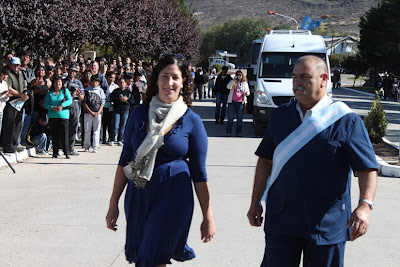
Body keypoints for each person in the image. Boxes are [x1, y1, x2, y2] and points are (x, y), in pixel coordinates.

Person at [247, 55, 378, 267]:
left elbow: (367, 168)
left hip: (326, 225)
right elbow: (265, 161)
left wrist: (365, 206)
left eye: (305, 77)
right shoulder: (281, 116)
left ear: (324, 79)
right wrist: (255, 202)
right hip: (283, 219)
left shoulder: (345, 120)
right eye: (294, 77)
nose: (297, 83)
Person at [106, 55, 215, 266]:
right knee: (142, 256)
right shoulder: (138, 114)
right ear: (156, 80)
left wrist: (207, 215)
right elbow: (125, 159)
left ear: (183, 81)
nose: (170, 83)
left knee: (153, 256)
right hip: (139, 194)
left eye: (175, 77)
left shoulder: (191, 120)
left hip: (174, 196)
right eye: (165, 76)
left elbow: (199, 173)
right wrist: (113, 204)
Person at [1, 57, 30, 153]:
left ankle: (14, 144)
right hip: (11, 102)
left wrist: (24, 93)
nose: (16, 67)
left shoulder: (20, 74)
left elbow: (24, 85)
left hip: (19, 103)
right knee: (8, 124)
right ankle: (7, 145)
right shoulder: (8, 74)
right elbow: (8, 88)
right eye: (14, 65)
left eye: (18, 65)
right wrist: (20, 95)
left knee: (17, 124)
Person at [43, 75, 72, 158]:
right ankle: (55, 152)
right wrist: (52, 107)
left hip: (63, 116)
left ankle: (66, 152)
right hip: (53, 116)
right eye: (56, 82)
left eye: (59, 82)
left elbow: (70, 100)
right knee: (54, 135)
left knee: (64, 135)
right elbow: (45, 104)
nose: (58, 83)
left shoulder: (65, 91)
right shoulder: (50, 93)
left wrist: (62, 105)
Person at [63, 62, 84, 156]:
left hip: (75, 105)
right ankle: (62, 147)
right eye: (70, 70)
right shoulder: (63, 82)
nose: (72, 72)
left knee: (73, 128)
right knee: (64, 127)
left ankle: (71, 147)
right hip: (65, 106)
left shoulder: (78, 82)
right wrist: (71, 94)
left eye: (74, 71)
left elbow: (82, 97)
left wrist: (79, 95)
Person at [82, 74, 105, 153]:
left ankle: (95, 146)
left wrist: (98, 112)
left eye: (96, 82)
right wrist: (90, 111)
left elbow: (103, 102)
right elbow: (84, 102)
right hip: (88, 113)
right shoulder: (87, 90)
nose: (95, 83)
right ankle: (86, 146)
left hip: (97, 113)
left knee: (96, 131)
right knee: (87, 130)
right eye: (93, 81)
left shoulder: (100, 90)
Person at [225, 70, 250, 137]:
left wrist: (246, 93)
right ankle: (228, 132)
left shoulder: (244, 83)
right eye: (237, 75)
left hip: (240, 103)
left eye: (240, 75)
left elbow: (248, 91)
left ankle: (238, 132)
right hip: (232, 102)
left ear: (242, 76)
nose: (239, 76)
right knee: (230, 118)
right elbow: (228, 87)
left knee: (239, 119)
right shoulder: (233, 82)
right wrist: (234, 81)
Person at [0, 68, 11, 134]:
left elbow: (6, 97)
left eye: (6, 75)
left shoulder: (5, 84)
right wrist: (2, 95)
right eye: (3, 74)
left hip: (1, 108)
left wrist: (7, 96)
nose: (4, 76)